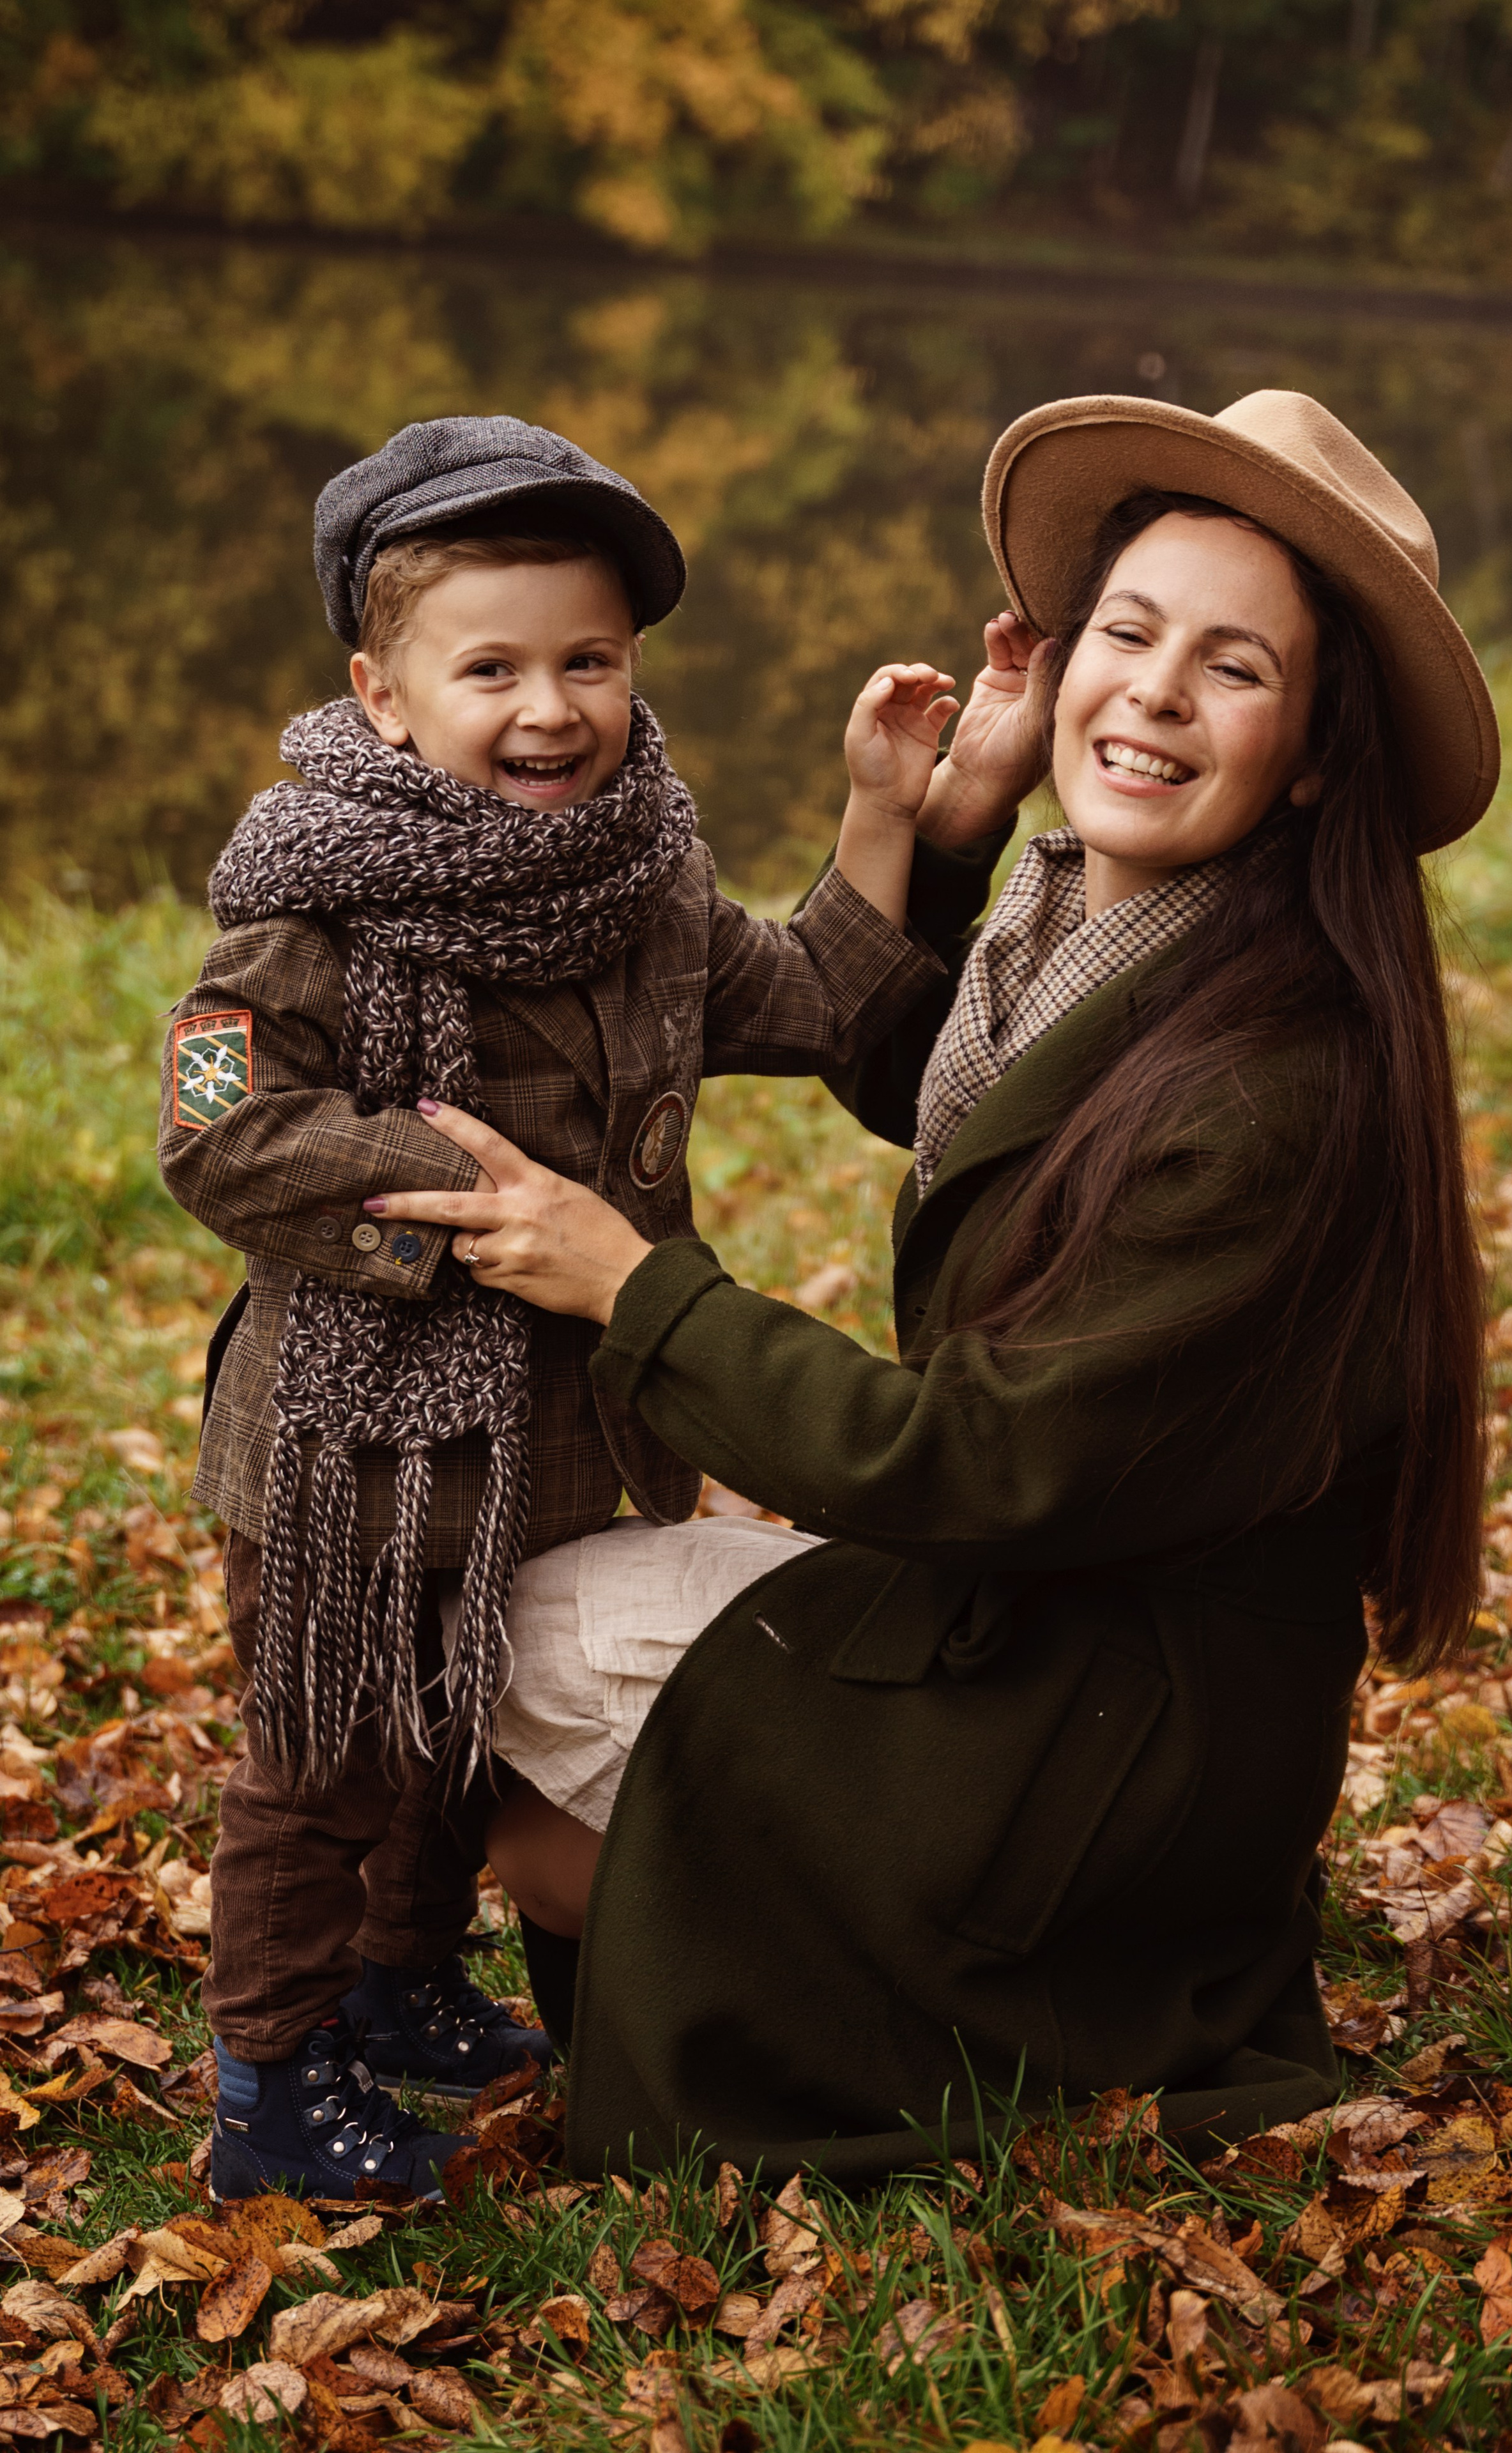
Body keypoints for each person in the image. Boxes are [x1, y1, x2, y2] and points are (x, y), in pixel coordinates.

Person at [366, 390, 1499, 2185]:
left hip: (1107, 1739)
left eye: (1233, 668)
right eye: (1126, 633)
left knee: (495, 1641)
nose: (1152, 693)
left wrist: (638, 1288)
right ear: (1057, 665)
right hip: (1073, 1636)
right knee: (480, 1627)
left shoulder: (1274, 1076)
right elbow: (954, 1094)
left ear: (1311, 753)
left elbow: (975, 1463)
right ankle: (797, 1934)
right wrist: (938, 822)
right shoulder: (1126, 936)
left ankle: (920, 2000)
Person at [158, 414, 978, 2202]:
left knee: (463, 1725)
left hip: (552, 1427)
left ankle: (400, 1981)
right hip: (348, 1445)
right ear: (383, 694)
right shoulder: (311, 899)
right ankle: (272, 2082)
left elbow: (824, 1005)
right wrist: (455, 1211)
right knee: (326, 1758)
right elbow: (213, 1134)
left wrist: (880, 808)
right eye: (494, 668)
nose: (552, 708)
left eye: (588, 660)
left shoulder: (642, 880)